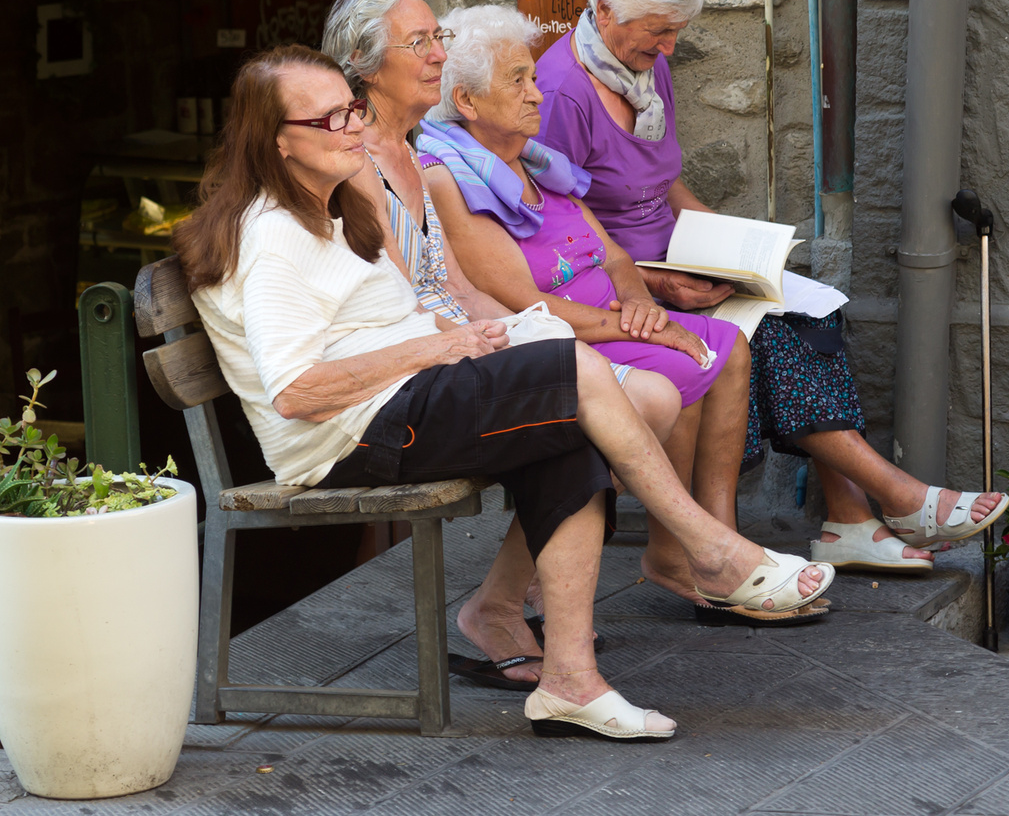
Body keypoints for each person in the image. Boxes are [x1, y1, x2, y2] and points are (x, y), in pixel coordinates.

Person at [173, 44, 832, 739]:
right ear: (277, 142)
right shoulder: (273, 235)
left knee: (569, 428)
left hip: (403, 403)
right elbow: (297, 391)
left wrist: (481, 337)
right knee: (571, 370)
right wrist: (441, 344)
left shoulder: (333, 212)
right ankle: (715, 549)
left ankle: (570, 681)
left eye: (352, 109)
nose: (353, 127)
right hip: (350, 436)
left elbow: (398, 322)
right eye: (329, 119)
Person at [537, 0, 1007, 571]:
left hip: (678, 257)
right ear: (605, 12)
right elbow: (560, 219)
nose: (671, 47)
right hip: (614, 286)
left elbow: (660, 176)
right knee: (770, 339)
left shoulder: (645, 67)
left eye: (676, 31)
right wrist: (655, 281)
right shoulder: (562, 91)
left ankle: (849, 518)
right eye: (660, 31)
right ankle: (888, 501)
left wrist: (729, 241)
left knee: (810, 313)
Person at [321, 0, 687, 684]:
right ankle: (690, 550)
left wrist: (534, 333)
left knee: (637, 393)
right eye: (420, 41)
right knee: (619, 399)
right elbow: (411, 306)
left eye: (437, 38)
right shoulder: (359, 161)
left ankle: (511, 609)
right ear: (368, 66)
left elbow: (456, 290)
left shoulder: (414, 151)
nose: (437, 52)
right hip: (403, 385)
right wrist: (514, 342)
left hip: (453, 353)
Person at [418, 6, 796, 628]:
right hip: (561, 335)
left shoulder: (536, 161)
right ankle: (688, 554)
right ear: (466, 99)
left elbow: (615, 255)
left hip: (610, 316)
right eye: (518, 81)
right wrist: (639, 326)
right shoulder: (450, 179)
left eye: (532, 77)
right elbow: (520, 304)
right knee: (683, 362)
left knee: (726, 345)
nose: (537, 92)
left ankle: (704, 541)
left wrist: (644, 305)